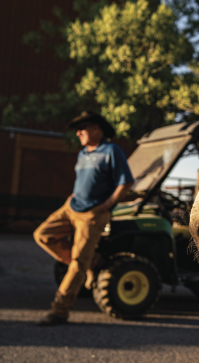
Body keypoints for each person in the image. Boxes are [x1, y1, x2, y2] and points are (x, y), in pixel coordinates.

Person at [34, 111, 134, 325]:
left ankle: (59, 310)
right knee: (42, 235)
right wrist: (73, 197)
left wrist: (106, 206)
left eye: (83, 128)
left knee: (78, 262)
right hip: (71, 207)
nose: (78, 132)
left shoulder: (111, 151)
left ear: (97, 129)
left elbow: (125, 183)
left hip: (92, 215)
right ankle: (93, 263)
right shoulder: (82, 154)